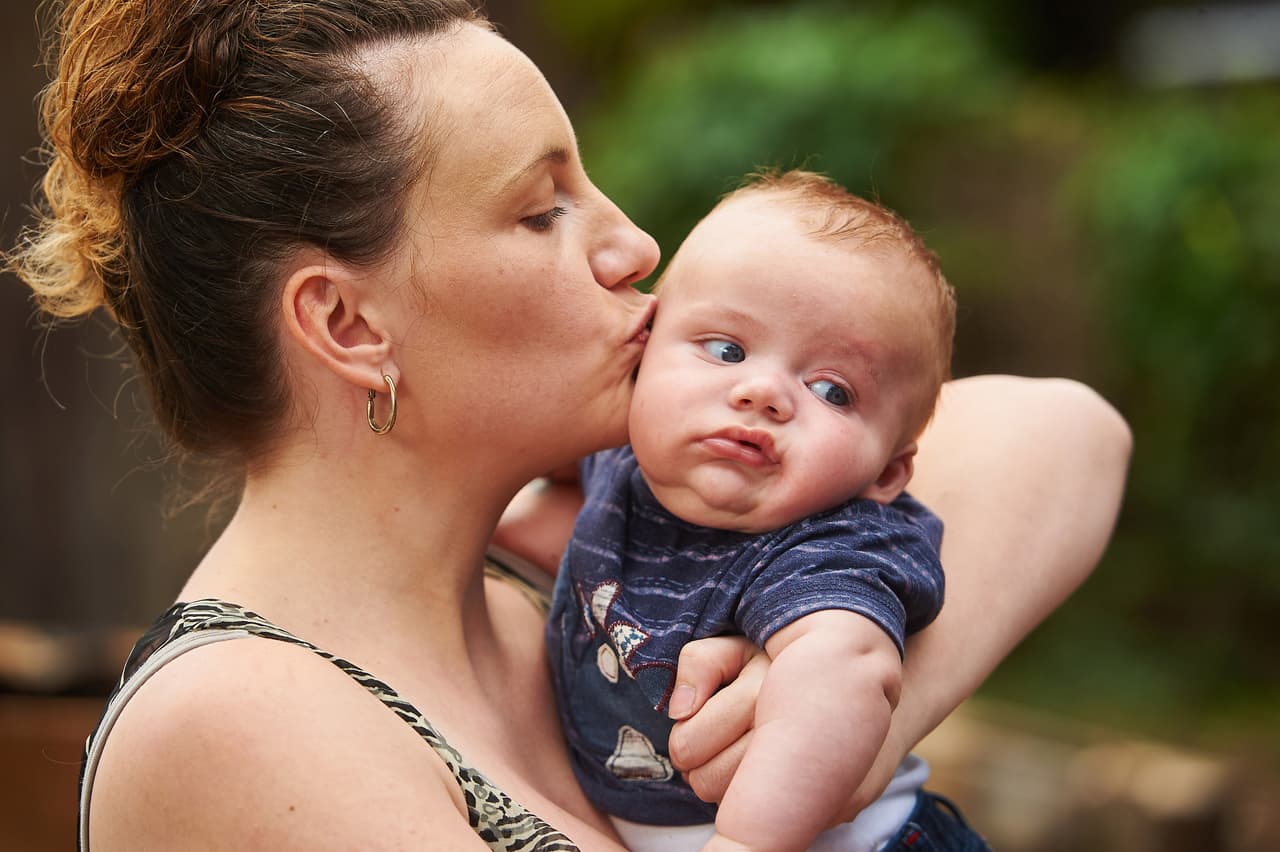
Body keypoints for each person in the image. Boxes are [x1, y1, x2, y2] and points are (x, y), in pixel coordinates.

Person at [6, 1, 1132, 850]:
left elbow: (1063, 433)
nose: (635, 244)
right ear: (347, 323)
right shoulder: (233, 720)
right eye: (542, 209)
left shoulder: (551, 594)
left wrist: (842, 705)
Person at [543, 169, 975, 852]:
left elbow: (842, 676)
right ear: (643, 351)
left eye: (832, 390)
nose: (763, 392)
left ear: (888, 471)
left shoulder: (832, 545)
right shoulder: (630, 462)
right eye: (726, 350)